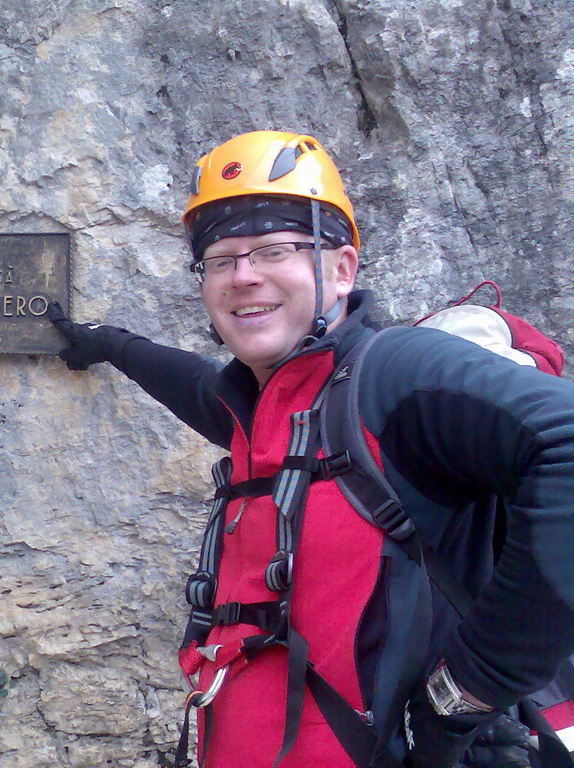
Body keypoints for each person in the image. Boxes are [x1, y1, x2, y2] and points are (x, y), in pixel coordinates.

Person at [47, 130, 574, 768]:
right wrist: (109, 343)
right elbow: (193, 386)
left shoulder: (392, 378)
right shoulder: (267, 410)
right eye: (221, 259)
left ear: (343, 269)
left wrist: (464, 690)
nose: (244, 276)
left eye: (274, 249)